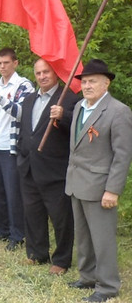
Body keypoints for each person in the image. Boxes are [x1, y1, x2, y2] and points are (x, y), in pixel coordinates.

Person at [63, 59, 132, 302]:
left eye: (93, 81)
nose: (87, 86)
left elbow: (122, 155)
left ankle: (108, 286)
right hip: (77, 183)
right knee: (83, 236)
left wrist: (113, 190)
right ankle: (88, 276)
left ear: (106, 83)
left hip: (100, 187)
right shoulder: (81, 106)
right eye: (84, 81)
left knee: (102, 240)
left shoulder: (118, 111)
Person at [16, 59, 78, 275]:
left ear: (55, 73)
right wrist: (22, 153)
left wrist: (63, 116)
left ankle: (61, 260)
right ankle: (36, 253)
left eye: (46, 72)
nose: (42, 76)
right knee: (32, 213)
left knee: (61, 217)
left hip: (55, 169)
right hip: (29, 166)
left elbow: (79, 128)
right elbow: (26, 130)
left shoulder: (68, 98)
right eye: (38, 72)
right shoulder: (29, 99)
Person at [0, 48, 34, 251]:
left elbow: (22, 113)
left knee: (13, 193)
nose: (2, 66)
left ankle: (17, 234)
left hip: (11, 148)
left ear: (15, 63)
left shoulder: (23, 85)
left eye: (6, 63)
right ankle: (1, 230)